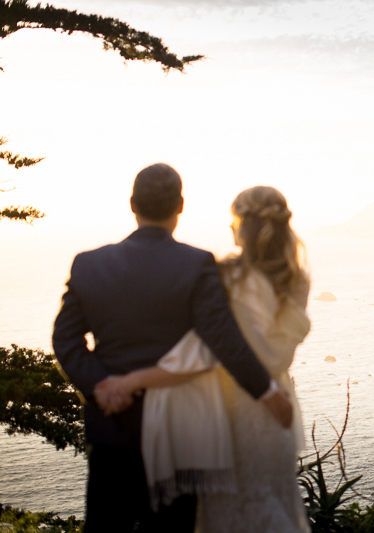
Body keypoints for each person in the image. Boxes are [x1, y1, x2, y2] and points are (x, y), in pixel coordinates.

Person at [52, 164, 293, 533]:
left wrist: (101, 386)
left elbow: (65, 340)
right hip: (182, 433)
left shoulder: (88, 264)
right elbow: (223, 338)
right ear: (180, 206)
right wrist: (266, 390)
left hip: (112, 428)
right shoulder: (196, 264)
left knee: (105, 526)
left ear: (132, 204)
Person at [102, 185, 312, 532]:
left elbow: (203, 351)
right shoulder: (296, 280)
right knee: (273, 501)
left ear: (245, 226)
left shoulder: (225, 277)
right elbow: (275, 355)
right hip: (276, 414)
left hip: (226, 412)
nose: (230, 227)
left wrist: (134, 379)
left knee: (224, 513)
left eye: (234, 219)